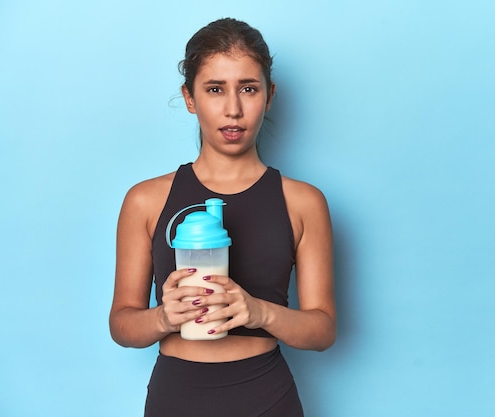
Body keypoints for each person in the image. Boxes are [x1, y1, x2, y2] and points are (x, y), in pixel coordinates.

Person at [109, 17, 336, 417]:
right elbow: (122, 324)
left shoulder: (303, 202)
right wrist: (164, 316)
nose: (233, 109)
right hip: (175, 397)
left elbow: (322, 330)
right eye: (215, 89)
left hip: (268, 397)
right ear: (190, 97)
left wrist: (258, 311)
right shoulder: (146, 200)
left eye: (248, 89)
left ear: (269, 96)